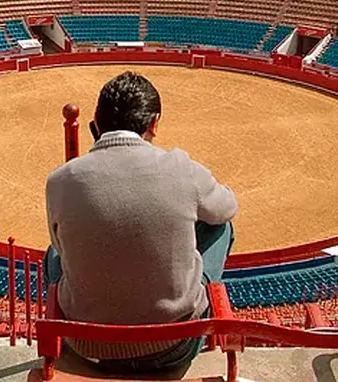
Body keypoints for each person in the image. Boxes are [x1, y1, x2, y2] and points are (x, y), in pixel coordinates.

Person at [44, 71, 238, 374]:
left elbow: (60, 248)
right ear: (154, 123)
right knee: (220, 226)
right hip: (173, 346)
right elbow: (227, 208)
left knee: (54, 251)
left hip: (86, 344)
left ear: (97, 124)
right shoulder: (181, 167)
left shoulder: (59, 180)